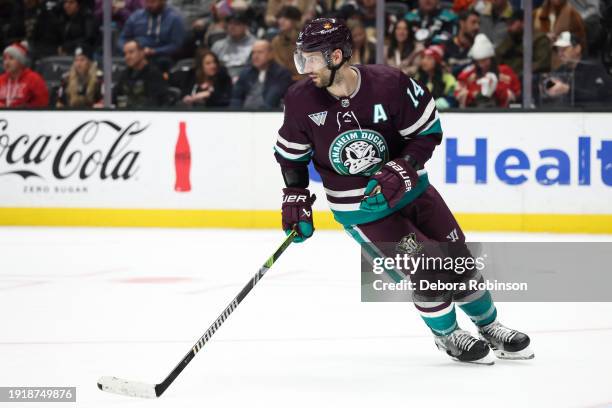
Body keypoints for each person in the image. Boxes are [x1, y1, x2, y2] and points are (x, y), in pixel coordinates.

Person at [275, 18, 533, 364]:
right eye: (301, 59)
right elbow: (292, 155)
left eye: (312, 58)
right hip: (363, 210)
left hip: (414, 191)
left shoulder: (389, 84)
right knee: (427, 266)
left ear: (336, 55)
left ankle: (489, 326)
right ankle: (448, 335)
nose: (305, 67)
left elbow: (428, 130)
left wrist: (405, 164)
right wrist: (295, 194)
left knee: (459, 263)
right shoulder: (300, 100)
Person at [542, 31, 612, 106]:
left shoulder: (594, 68)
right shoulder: (560, 70)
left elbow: (599, 94)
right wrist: (545, 88)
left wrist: (568, 90)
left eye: (564, 49)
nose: (560, 53)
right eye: (558, 50)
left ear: (577, 48)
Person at [455, 33, 521, 107]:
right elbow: (458, 93)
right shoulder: (467, 74)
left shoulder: (506, 72)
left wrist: (494, 90)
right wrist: (478, 94)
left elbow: (517, 94)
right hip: (473, 112)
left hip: (502, 113)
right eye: (479, 61)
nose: (482, 65)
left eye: (485, 60)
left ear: (491, 58)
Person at [118, 0, 185, 71]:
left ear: (163, 1)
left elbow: (176, 45)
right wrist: (128, 50)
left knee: (161, 62)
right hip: (135, 52)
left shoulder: (174, 19)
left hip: (159, 56)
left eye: (153, 2)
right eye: (147, 2)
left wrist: (154, 51)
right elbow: (122, 38)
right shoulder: (136, 16)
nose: (149, 5)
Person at [230, 39, 292, 108]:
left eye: (260, 52)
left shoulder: (281, 74)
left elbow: (271, 100)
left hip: (268, 114)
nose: (255, 56)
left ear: (271, 54)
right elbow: (236, 98)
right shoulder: (245, 73)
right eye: (253, 52)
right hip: (244, 114)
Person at [496, 9, 552, 77]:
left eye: (511, 23)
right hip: (508, 80)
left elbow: (542, 63)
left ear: (523, 22)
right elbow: (497, 58)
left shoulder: (539, 39)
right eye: (507, 24)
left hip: (530, 80)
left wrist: (520, 74)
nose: (508, 28)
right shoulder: (509, 40)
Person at [114, 39, 168, 107]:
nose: (127, 57)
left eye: (131, 52)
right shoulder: (125, 74)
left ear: (142, 52)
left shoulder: (154, 74)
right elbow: (114, 96)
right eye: (125, 54)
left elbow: (156, 102)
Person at [0, 41, 49, 107]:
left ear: (21, 62)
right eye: (5, 59)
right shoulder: (1, 79)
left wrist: (25, 108)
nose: (6, 62)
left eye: (11, 58)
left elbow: (43, 103)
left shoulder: (34, 79)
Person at [211, 12, 255, 79]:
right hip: (223, 80)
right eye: (230, 23)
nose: (232, 27)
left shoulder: (256, 44)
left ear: (246, 26)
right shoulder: (218, 45)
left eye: (237, 24)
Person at [414, 45, 457, 109]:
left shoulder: (448, 78)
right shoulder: (418, 77)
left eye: (429, 58)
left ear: (437, 61)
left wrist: (438, 104)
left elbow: (452, 100)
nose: (424, 61)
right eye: (423, 57)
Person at [444, 9, 480, 76]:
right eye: (473, 22)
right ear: (462, 23)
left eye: (478, 23)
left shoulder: (479, 48)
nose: (477, 27)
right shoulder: (446, 46)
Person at [270, 6, 302, 79]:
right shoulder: (276, 42)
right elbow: (279, 64)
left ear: (296, 21)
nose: (281, 21)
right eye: (280, 18)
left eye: (286, 18)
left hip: (307, 80)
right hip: (286, 79)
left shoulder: (307, 39)